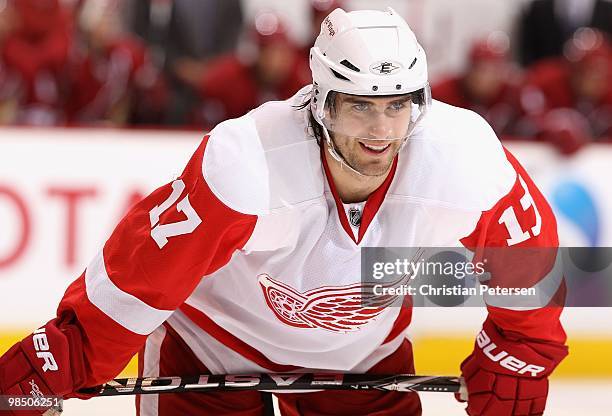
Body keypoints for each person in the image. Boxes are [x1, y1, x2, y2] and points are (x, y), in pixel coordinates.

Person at [0, 7, 567, 416]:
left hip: (362, 354)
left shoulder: (463, 157)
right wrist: (67, 353)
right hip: (209, 347)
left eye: (398, 108)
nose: (379, 132)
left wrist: (521, 349)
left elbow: (533, 260)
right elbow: (145, 273)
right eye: (358, 109)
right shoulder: (249, 163)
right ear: (320, 104)